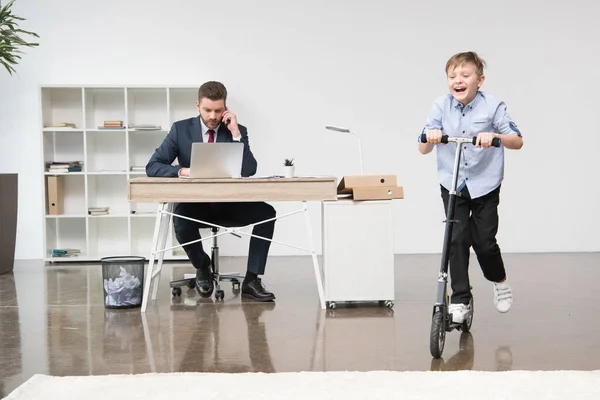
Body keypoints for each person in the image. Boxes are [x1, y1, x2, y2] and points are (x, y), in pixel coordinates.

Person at [146, 81, 276, 302]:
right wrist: (183, 171)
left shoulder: (236, 131)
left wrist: (236, 133)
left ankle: (251, 280)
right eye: (207, 110)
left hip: (229, 206)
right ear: (198, 105)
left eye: (218, 110)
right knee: (179, 218)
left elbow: (249, 169)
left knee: (267, 213)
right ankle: (202, 265)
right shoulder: (181, 130)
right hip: (195, 205)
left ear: (225, 108)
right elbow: (153, 166)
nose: (213, 116)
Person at [419, 51, 523, 323]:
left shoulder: (493, 105)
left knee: (484, 243)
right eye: (452, 76)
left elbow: (517, 140)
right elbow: (422, 148)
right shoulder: (440, 106)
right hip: (452, 182)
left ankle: (499, 281)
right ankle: (461, 299)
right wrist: (430, 137)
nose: (458, 81)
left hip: (485, 183)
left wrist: (495, 135)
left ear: (480, 80)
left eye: (465, 75)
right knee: (456, 239)